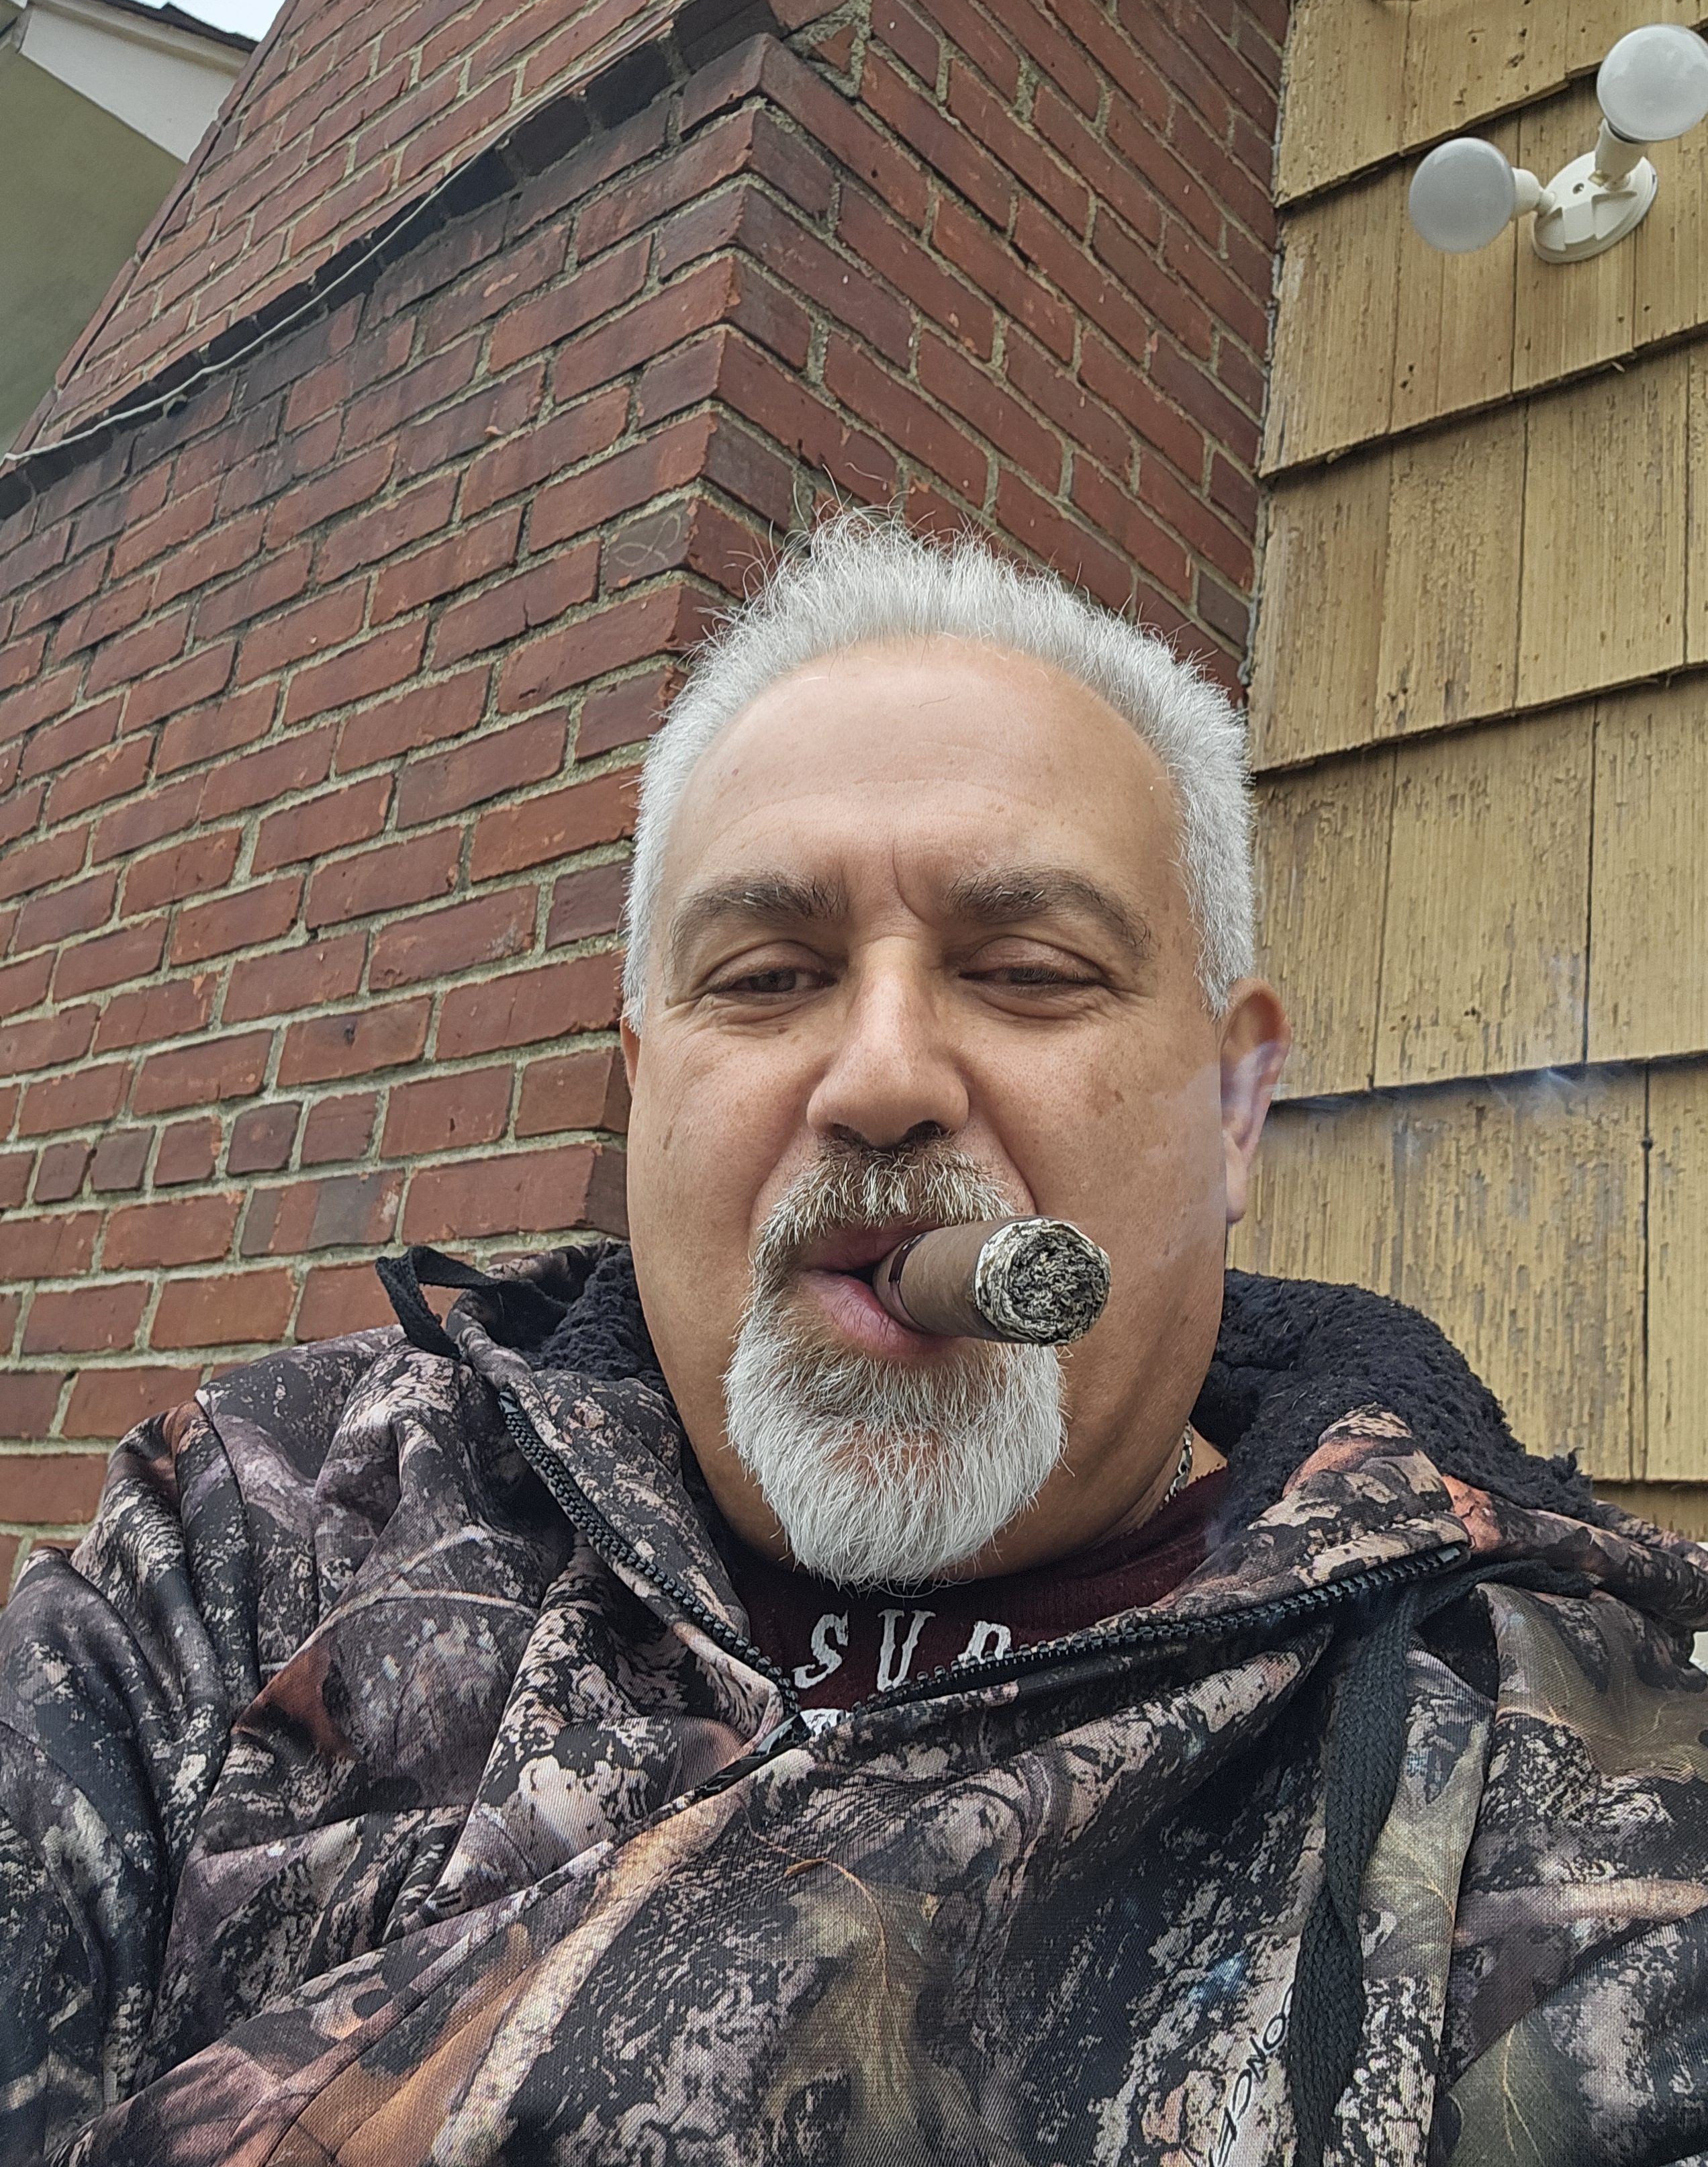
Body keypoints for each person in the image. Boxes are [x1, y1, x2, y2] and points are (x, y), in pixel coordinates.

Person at [3, 516, 1706, 2167]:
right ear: (643, 1082)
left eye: (1029, 968)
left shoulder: (1558, 1761)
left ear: (1233, 1106)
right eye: (764, 977)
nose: (883, 1076)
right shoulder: (261, 1535)